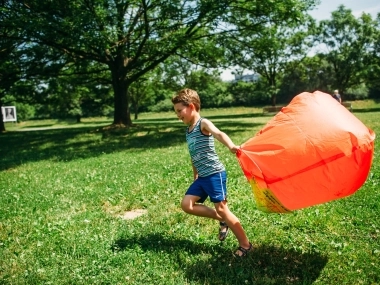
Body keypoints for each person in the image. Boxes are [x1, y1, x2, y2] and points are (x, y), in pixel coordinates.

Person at [171, 88, 252, 257]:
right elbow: (193, 154)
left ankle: (245, 244)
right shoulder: (188, 130)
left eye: (180, 111)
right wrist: (195, 174)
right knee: (187, 205)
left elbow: (219, 133)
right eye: (176, 112)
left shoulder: (203, 123)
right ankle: (222, 220)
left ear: (191, 106)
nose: (178, 115)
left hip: (215, 174)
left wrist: (231, 146)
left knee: (223, 209)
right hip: (202, 177)